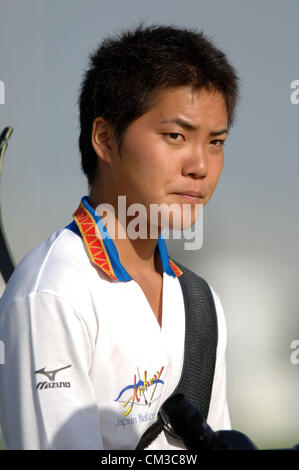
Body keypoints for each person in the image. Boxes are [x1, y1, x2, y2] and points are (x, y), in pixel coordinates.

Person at [0, 24, 239, 450]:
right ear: (105, 139)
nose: (200, 165)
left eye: (216, 141)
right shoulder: (52, 293)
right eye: (176, 136)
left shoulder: (200, 303)